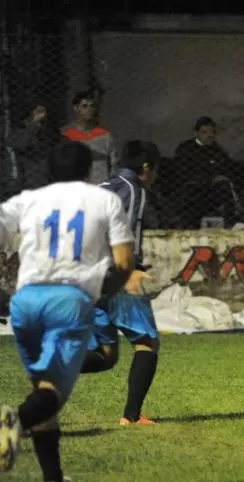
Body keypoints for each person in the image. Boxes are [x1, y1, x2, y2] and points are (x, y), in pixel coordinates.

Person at [0, 141, 137, 480]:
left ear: (49, 170)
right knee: (51, 394)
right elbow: (123, 262)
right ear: (89, 170)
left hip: (26, 301)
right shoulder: (105, 199)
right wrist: (106, 290)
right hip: (69, 301)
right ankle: (13, 420)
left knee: (43, 391)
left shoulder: (28, 200)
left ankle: (54, 477)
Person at [80, 140, 161, 426]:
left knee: (104, 355)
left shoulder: (106, 185)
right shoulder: (132, 190)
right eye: (155, 171)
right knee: (146, 341)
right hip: (114, 272)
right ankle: (132, 416)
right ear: (146, 168)